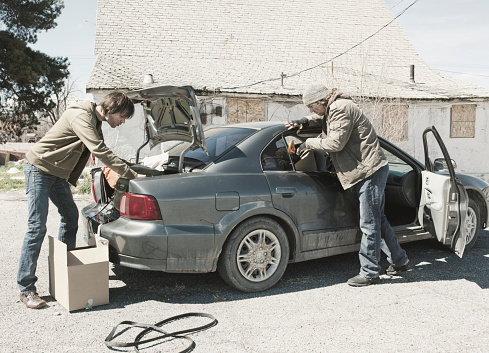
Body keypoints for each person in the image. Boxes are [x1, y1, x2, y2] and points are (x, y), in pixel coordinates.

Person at [18, 92, 138, 308]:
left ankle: (64, 271)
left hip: (56, 175)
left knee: (71, 218)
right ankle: (26, 289)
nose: (122, 122)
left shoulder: (96, 121)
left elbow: (101, 152)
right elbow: (99, 150)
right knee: (37, 227)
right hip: (39, 169)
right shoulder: (81, 115)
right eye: (122, 116)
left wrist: (128, 167)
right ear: (111, 108)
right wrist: (131, 174)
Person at [286, 83, 411, 287]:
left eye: (310, 106)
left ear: (321, 101)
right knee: (377, 220)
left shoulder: (340, 107)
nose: (310, 110)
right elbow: (322, 118)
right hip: (367, 169)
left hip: (368, 171)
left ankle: (370, 272)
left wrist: (308, 143)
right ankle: (400, 260)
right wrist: (304, 121)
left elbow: (335, 143)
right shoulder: (333, 106)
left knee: (369, 223)